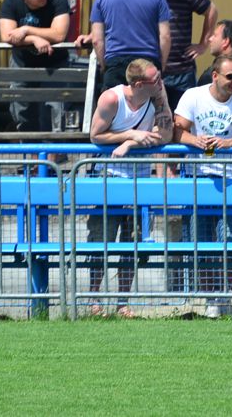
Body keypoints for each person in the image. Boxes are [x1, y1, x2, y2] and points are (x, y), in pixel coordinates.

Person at [174, 54, 232, 317]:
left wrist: (228, 143)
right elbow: (177, 130)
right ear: (215, 76)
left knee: (229, 241)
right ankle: (212, 297)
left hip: (231, 180)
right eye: (230, 76)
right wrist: (195, 140)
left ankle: (222, 297)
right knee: (200, 242)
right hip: (198, 178)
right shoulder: (193, 96)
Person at [87, 58, 172, 317]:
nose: (160, 82)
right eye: (155, 79)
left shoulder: (157, 97)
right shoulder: (112, 99)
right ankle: (93, 300)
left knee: (132, 242)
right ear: (137, 84)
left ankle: (122, 302)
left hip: (139, 179)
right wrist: (131, 135)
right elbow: (95, 135)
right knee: (101, 240)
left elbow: (166, 134)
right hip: (108, 177)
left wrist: (131, 144)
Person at [87, 0, 171, 90]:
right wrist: (160, 65)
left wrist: (105, 66)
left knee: (114, 104)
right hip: (147, 63)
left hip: (115, 62)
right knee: (147, 104)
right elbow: (165, 36)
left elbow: (96, 39)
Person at [145, 0, 218, 110]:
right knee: (151, 118)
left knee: (184, 117)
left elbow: (211, 10)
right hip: (150, 69)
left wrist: (203, 44)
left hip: (182, 71)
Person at [0, 0, 70, 132]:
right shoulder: (11, 1)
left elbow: (59, 34)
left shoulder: (58, 0)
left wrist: (26, 30)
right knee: (22, 109)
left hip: (54, 64)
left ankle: (53, 148)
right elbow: (7, 35)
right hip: (22, 63)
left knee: (53, 110)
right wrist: (33, 39)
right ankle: (29, 148)